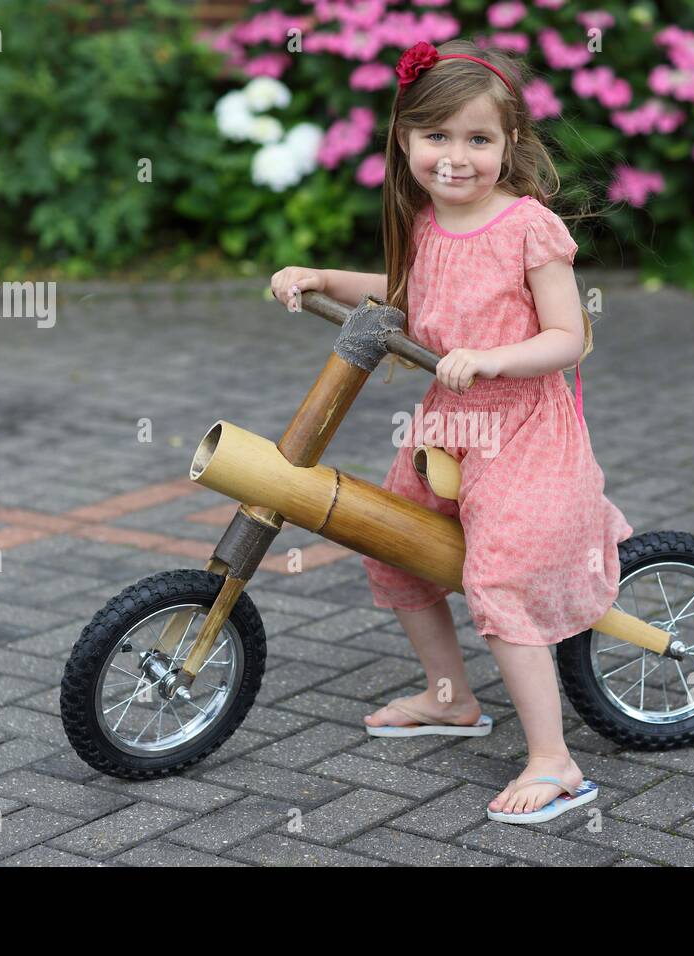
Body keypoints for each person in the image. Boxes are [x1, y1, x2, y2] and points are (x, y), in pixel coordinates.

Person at [270, 38, 633, 824]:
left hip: (525, 424)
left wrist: (496, 359)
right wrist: (322, 277)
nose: (456, 157)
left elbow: (569, 336)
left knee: (496, 579)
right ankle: (451, 696)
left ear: (510, 145)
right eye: (437, 137)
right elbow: (409, 292)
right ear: (405, 142)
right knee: (393, 543)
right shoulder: (429, 221)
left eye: (478, 139)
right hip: (448, 424)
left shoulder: (529, 227)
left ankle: (555, 760)